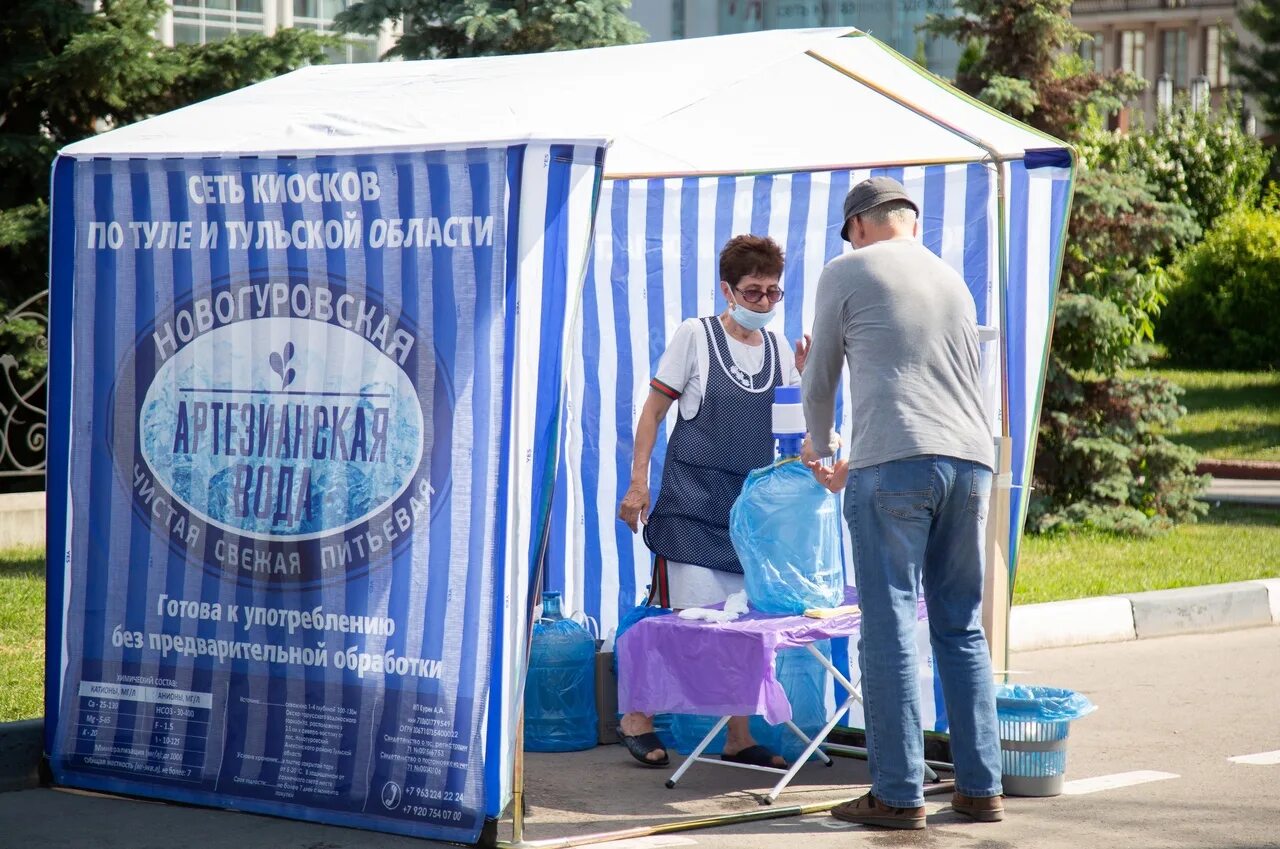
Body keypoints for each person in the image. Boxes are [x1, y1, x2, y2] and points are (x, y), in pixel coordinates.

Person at [800, 177, 1004, 829]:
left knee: (886, 626)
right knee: (960, 625)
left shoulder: (846, 269)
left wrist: (820, 443)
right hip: (970, 463)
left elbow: (822, 374)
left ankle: (896, 792)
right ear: (911, 222)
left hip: (893, 462)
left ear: (859, 224)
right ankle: (979, 786)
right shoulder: (952, 280)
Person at [616, 234, 810, 769]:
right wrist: (638, 484)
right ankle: (637, 717)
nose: (765, 303)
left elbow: (795, 431)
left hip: (747, 519)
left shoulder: (779, 350)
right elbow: (653, 413)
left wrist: (808, 375)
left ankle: (738, 737)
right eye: (753, 292)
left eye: (774, 293)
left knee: (744, 632)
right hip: (690, 507)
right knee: (689, 626)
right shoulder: (694, 337)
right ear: (727, 290)